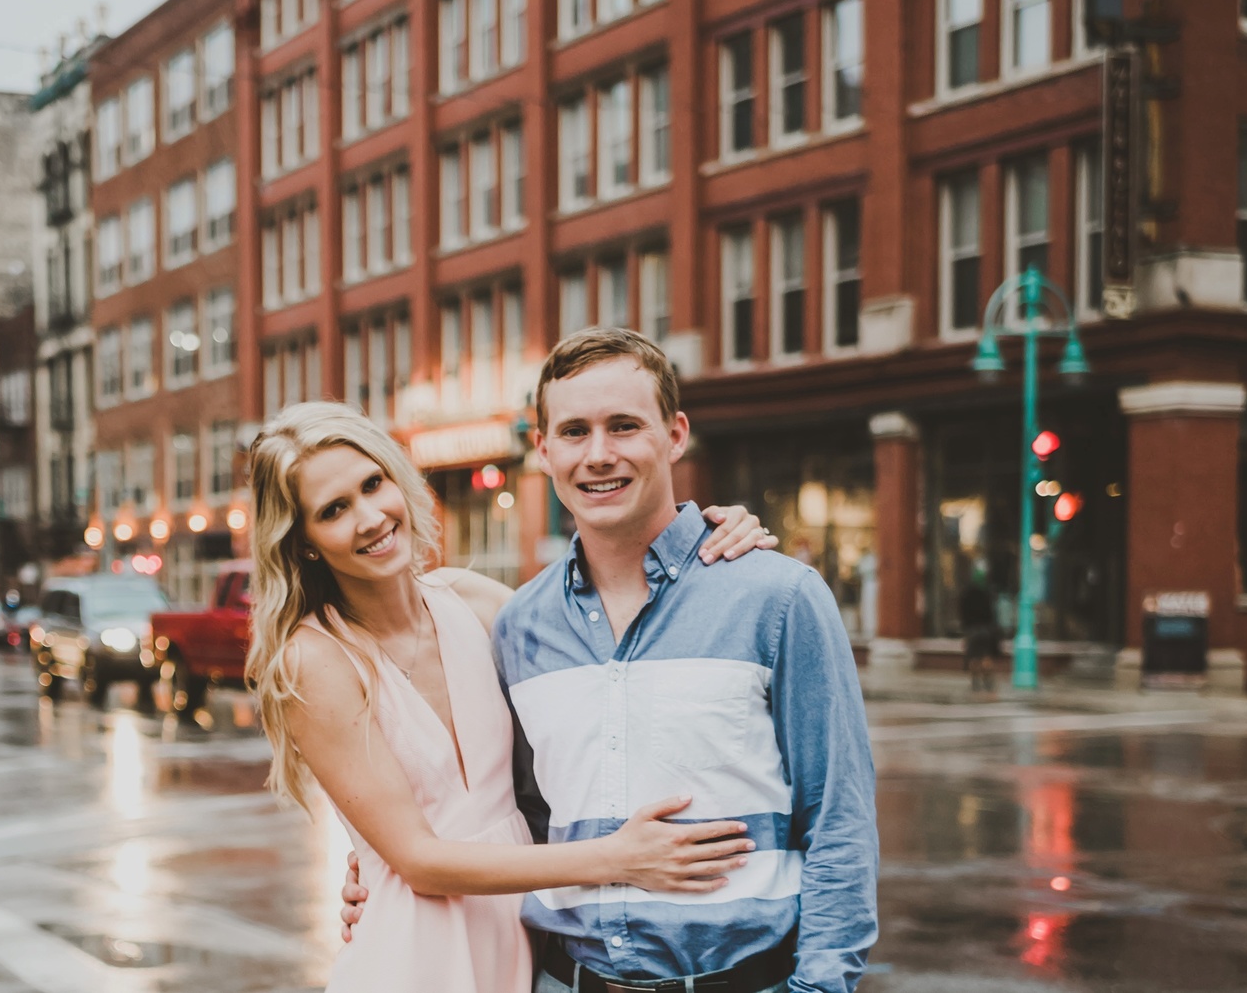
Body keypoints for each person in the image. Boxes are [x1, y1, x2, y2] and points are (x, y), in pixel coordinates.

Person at [342, 328, 879, 993]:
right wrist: (375, 867)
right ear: (542, 450)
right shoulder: (519, 628)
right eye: (574, 432)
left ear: (675, 434)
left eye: (624, 426)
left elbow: (839, 822)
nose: (599, 455)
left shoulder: (777, 598)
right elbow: (511, 816)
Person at [246, 400, 782, 993]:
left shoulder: (472, 603)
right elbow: (420, 861)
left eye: (373, 484)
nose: (371, 517)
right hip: (415, 952)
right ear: (305, 544)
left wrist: (712, 538)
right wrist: (619, 857)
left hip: (527, 937)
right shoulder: (314, 658)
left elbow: (615, 659)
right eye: (334, 510)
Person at [958, 567, 1000, 694]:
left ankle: (976, 682)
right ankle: (988, 681)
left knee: (974, 657)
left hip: (972, 629)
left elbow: (963, 613)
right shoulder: (987, 593)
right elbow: (992, 613)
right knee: (986, 656)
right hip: (986, 630)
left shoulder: (967, 594)